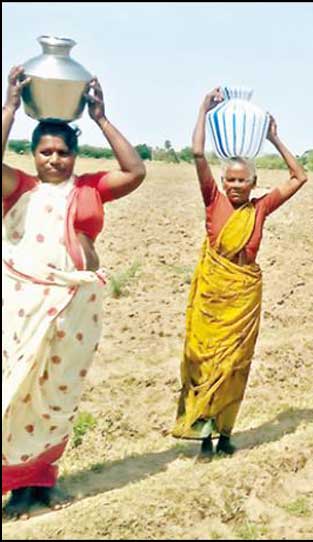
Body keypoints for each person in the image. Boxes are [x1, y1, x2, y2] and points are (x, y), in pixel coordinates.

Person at [2, 66, 146, 516]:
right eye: (45, 152)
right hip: (27, 306)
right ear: (33, 153)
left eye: (62, 152)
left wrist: (102, 118)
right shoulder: (19, 188)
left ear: (74, 155)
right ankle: (17, 484)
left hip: (76, 312)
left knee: (57, 396)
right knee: (20, 390)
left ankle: (42, 483)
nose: (53, 160)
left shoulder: (90, 189)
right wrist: (9, 105)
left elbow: (136, 170)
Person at [171, 88, 308, 461]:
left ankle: (225, 431)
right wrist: (202, 108)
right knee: (205, 361)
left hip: (243, 298)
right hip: (212, 300)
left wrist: (274, 138)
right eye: (229, 180)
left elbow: (299, 176)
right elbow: (198, 152)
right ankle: (203, 434)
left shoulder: (260, 208)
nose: (234, 186)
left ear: (253, 183)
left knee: (234, 366)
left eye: (242, 181)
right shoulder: (212, 200)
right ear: (222, 181)